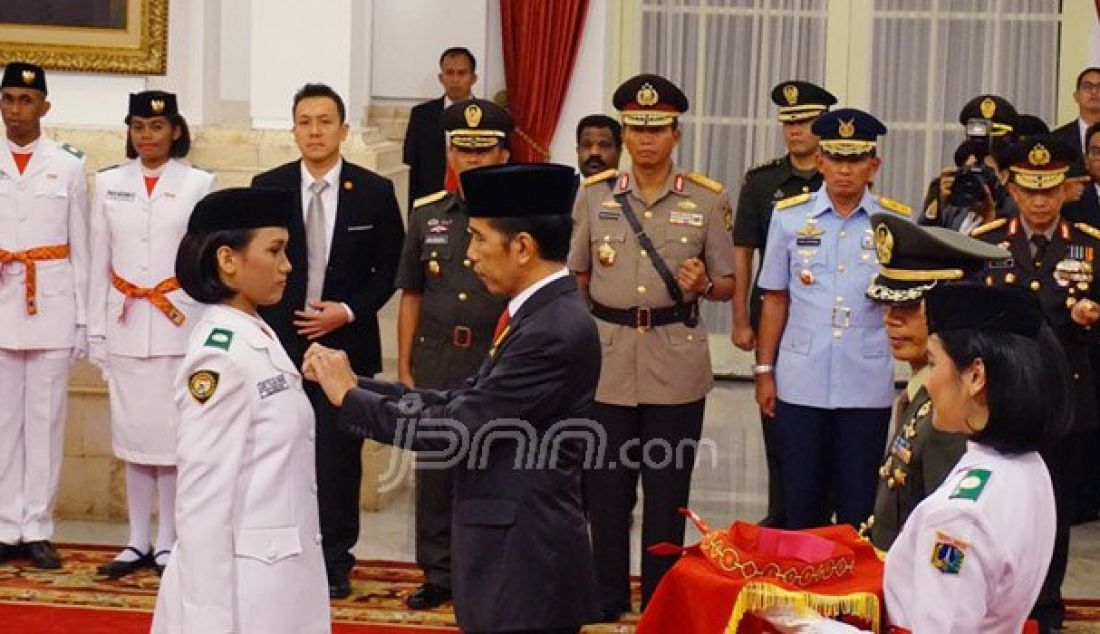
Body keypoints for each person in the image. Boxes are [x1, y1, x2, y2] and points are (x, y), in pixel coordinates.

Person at [305, 163, 601, 634]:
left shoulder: (553, 329)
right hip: (508, 544)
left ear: (522, 246)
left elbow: (457, 427)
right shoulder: (535, 315)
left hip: (524, 556)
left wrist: (351, 400)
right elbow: (458, 397)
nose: (471, 254)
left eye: (480, 238)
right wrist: (360, 385)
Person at [783, 283, 1067, 634]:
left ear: (975, 376)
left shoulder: (957, 517)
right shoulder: (1027, 466)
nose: (928, 383)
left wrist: (801, 624)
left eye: (933, 363)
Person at [568, 73, 735, 619]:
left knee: (668, 494)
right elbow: (577, 276)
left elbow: (729, 281)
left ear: (675, 135)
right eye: (636, 128)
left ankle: (662, 601)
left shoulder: (707, 201)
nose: (646, 139)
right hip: (608, 362)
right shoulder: (595, 196)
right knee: (607, 493)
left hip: (676, 361)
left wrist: (703, 286)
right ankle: (606, 596)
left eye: (657, 128)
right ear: (623, 134)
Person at [152, 187, 330, 634]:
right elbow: (202, 502)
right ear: (228, 260)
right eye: (275, 250)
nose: (288, 265)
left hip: (276, 583)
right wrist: (206, 621)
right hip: (242, 596)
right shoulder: (220, 357)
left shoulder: (257, 333)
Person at [251, 83, 404, 599]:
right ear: (293, 129)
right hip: (280, 346)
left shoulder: (375, 191)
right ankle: (281, 553)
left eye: (324, 121)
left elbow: (391, 269)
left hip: (345, 349)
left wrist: (348, 310)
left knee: (338, 460)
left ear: (343, 129)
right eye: (304, 121)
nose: (314, 131)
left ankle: (336, 561)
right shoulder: (266, 188)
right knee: (280, 454)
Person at [969, 136, 1100, 632]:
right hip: (1002, 393)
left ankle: (1046, 606)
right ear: (1012, 187)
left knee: (1053, 504)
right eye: (1029, 190)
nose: (1040, 202)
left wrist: (1092, 316)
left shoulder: (1089, 243)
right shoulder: (986, 240)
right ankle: (999, 601)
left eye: (1049, 191)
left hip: (1065, 396)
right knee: (998, 498)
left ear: (1066, 190)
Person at [754, 108, 906, 531]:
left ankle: (849, 597)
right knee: (802, 503)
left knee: (858, 507)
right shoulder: (788, 217)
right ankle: (805, 592)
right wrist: (765, 370)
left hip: (866, 381)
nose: (844, 170)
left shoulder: (894, 223)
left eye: (856, 159)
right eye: (836, 159)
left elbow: (905, 307)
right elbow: (775, 298)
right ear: (820, 160)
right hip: (801, 378)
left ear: (873, 165)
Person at [87, 91, 215, 578]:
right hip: (124, 322)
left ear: (175, 131)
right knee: (133, 436)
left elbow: (205, 262)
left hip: (177, 323)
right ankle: (136, 539)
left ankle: (168, 540)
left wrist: (207, 330)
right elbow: (98, 262)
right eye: (139, 127)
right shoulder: (109, 183)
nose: (148, 136)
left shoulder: (198, 183)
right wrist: (95, 332)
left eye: (157, 127)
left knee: (171, 440)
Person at [395, 98, 512, 610]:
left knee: (492, 470)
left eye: (483, 152)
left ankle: (486, 568)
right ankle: (438, 572)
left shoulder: (520, 218)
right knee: (436, 473)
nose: (472, 161)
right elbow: (413, 294)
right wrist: (404, 366)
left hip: (497, 360)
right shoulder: (428, 213)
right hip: (439, 358)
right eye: (463, 151)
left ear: (503, 155)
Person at [861, 213, 1009, 551]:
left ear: (954, 310)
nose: (892, 320)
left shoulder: (952, 411)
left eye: (910, 306)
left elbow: (948, 536)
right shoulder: (922, 392)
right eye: (888, 304)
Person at [732, 79, 836, 528]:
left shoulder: (837, 176)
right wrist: (739, 317)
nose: (795, 130)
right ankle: (783, 514)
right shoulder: (762, 182)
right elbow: (743, 252)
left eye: (806, 121)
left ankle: (824, 516)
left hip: (826, 320)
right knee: (777, 421)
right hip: (775, 316)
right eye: (788, 122)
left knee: (829, 426)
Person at [0, 61, 89, 569]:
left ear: (45, 107)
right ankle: (6, 524)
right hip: (2, 305)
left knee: (46, 419)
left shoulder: (68, 164)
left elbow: (82, 245)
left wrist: (82, 323)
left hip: (52, 305)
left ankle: (38, 526)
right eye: (9, 98)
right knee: (5, 421)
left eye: (26, 100)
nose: (16, 109)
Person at [403, 47, 479, 209]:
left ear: (473, 78)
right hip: (431, 203)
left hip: (476, 202)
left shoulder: (489, 117)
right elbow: (411, 164)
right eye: (449, 73)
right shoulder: (421, 115)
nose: (455, 80)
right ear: (441, 77)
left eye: (461, 73)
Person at [1053, 67, 1100, 169]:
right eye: (1087, 87)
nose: (1094, 91)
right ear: (1076, 96)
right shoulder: (1056, 140)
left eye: (1099, 87)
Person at [575, 114, 622, 178]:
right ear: (578, 151)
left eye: (604, 145)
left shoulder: (635, 187)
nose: (594, 152)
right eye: (587, 145)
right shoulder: (568, 187)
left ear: (619, 151)